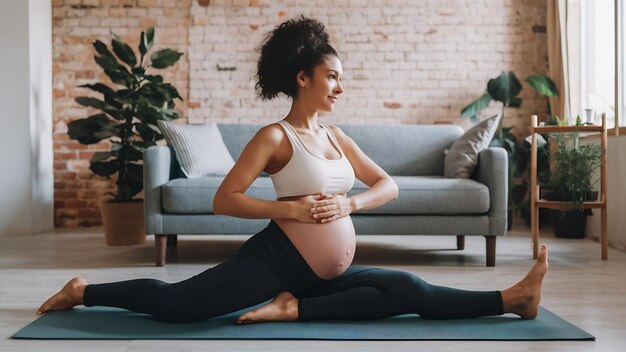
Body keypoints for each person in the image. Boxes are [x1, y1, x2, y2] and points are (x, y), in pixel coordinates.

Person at [37, 16, 548, 324]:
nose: (340, 88)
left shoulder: (336, 136)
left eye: (342, 78)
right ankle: (84, 290)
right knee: (179, 307)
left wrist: (351, 203)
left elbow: (386, 186)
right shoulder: (275, 137)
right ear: (303, 77)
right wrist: (290, 207)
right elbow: (224, 200)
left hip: (323, 273)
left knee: (405, 289)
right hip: (276, 262)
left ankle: (512, 298)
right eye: (332, 77)